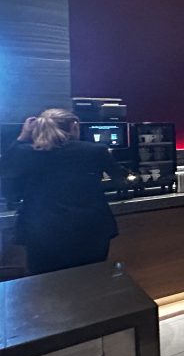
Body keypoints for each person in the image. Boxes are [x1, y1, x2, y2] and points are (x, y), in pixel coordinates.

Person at [0, 108, 125, 275]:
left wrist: (22, 137)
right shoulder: (95, 151)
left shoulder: (28, 152)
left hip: (41, 230)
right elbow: (120, 179)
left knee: (45, 280)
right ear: (74, 126)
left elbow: (4, 170)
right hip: (90, 227)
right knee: (91, 277)